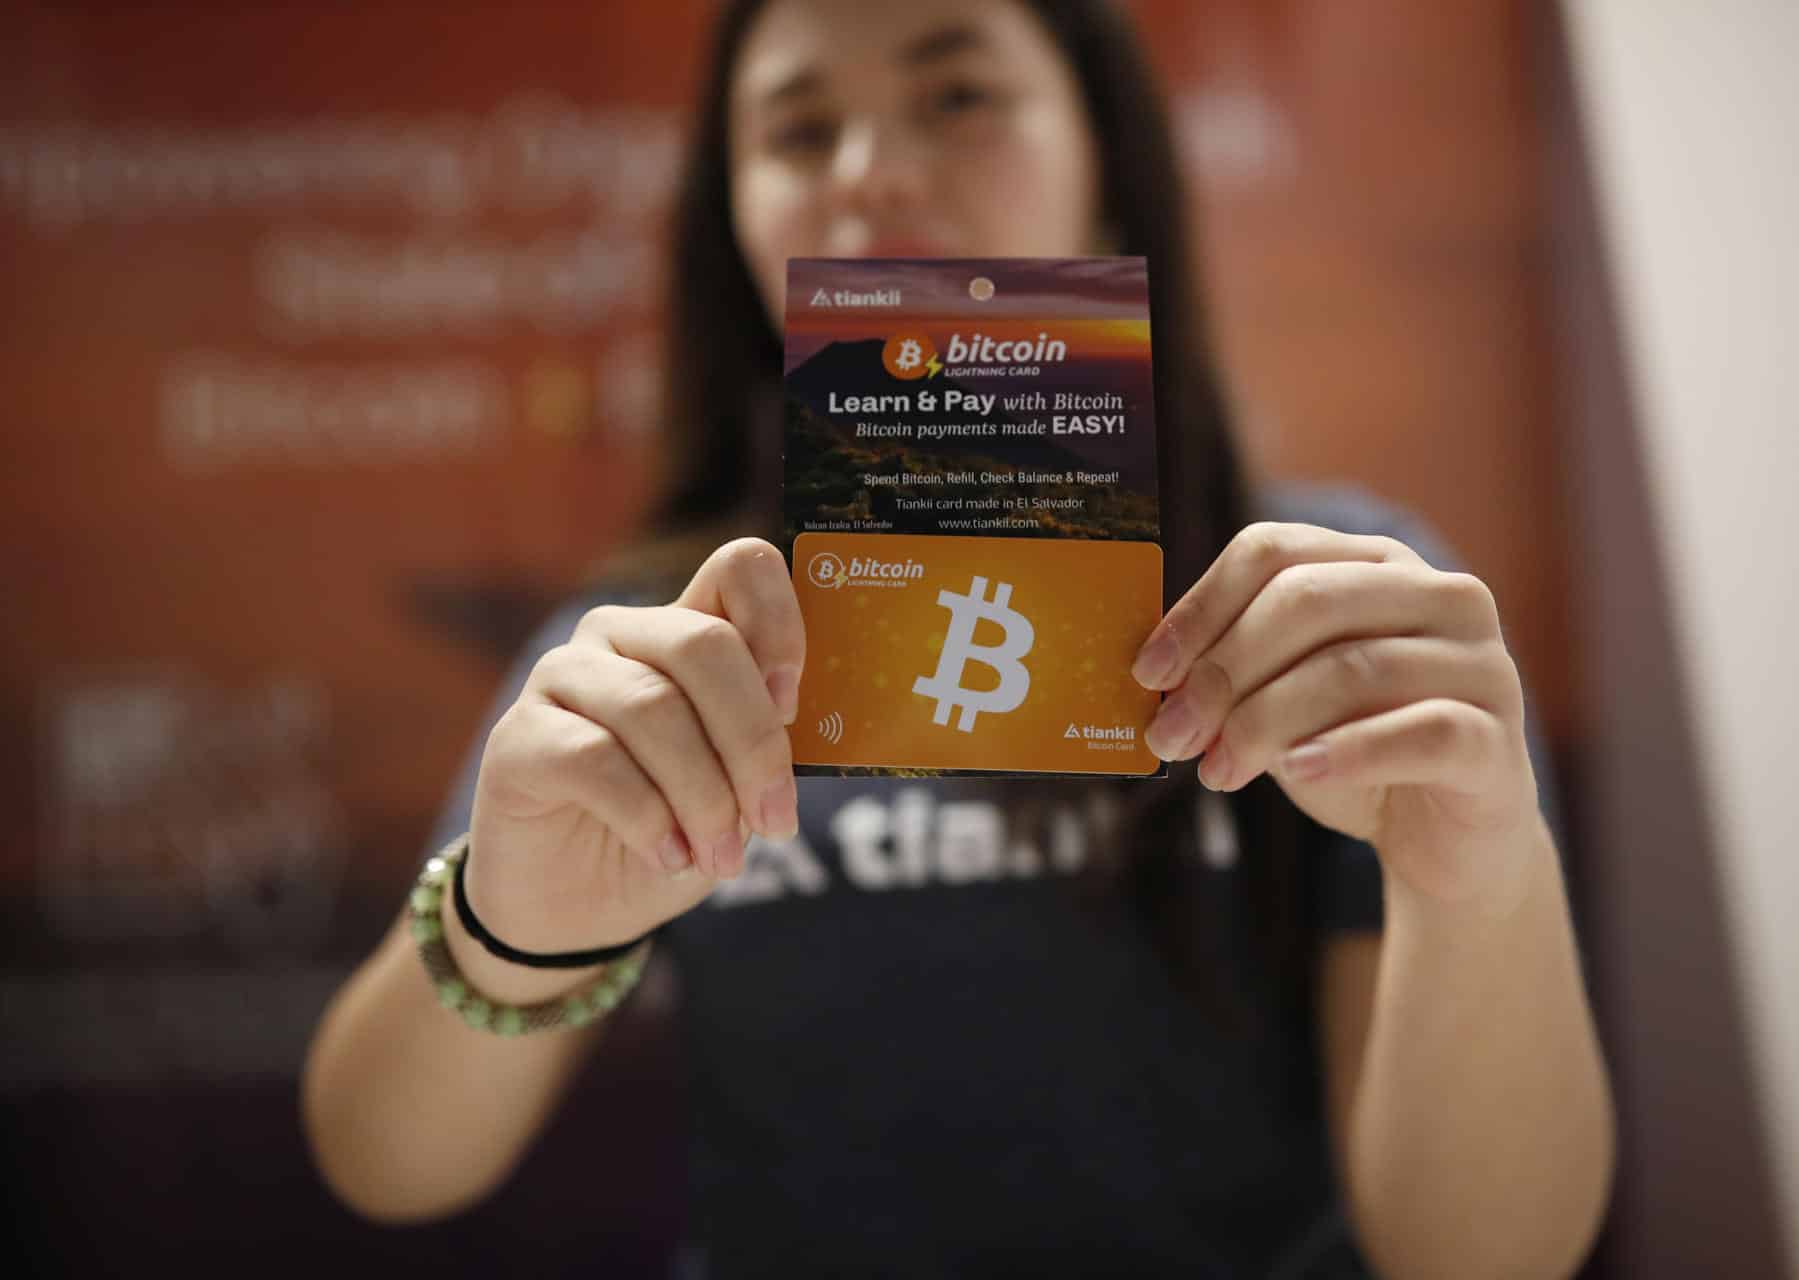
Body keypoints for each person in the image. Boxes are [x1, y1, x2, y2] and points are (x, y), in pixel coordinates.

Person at [301, 1, 1615, 1275]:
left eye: (958, 96)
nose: (869, 174)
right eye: (800, 131)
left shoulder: (1326, 616)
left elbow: (1489, 1258)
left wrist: (1479, 879)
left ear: (1106, 161)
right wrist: (509, 927)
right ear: (736, 221)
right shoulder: (656, 648)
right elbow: (381, 1161)